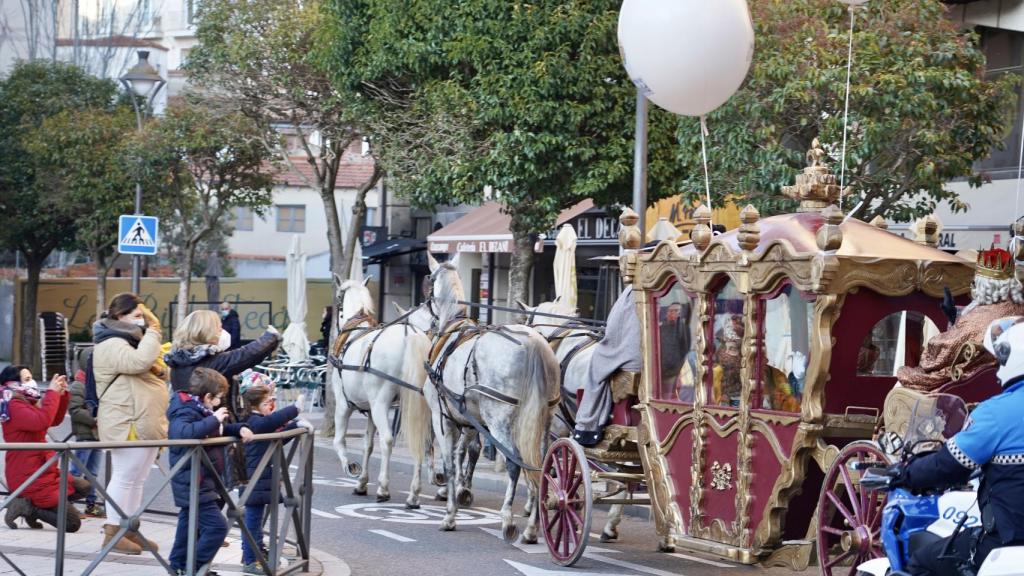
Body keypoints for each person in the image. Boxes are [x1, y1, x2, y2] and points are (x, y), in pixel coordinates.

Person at [900, 316, 1024, 575]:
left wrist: (905, 474)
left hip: (1009, 542)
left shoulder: (995, 413)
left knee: (924, 561)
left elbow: (948, 466)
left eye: (998, 361)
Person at [91, 292, 168, 555]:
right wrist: (154, 330)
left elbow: (156, 366)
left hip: (139, 420)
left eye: (143, 316)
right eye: (137, 316)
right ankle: (113, 531)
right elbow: (140, 362)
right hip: (127, 421)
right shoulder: (111, 342)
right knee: (125, 476)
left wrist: (149, 329)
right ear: (120, 316)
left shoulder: (129, 340)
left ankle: (129, 528)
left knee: (138, 478)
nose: (143, 321)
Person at [898, 247, 1024, 389]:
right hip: (1003, 379)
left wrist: (933, 343)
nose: (972, 285)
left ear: (983, 285)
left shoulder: (979, 316)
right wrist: (954, 318)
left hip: (968, 383)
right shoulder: (1019, 308)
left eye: (975, 281)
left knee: (904, 377)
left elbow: (943, 351)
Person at [167, 367, 253, 576]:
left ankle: (178, 564)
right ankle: (193, 567)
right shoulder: (185, 409)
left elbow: (217, 429)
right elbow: (184, 433)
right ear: (207, 396)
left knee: (188, 527)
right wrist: (214, 419)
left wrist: (238, 428)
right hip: (193, 480)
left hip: (201, 479)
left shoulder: (201, 409)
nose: (220, 403)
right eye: (219, 398)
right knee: (217, 528)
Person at [1, 366, 91, 532]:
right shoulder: (13, 404)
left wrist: (62, 395)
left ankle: (37, 507)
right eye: (27, 379)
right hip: (27, 474)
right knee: (72, 524)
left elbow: (53, 420)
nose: (32, 382)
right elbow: (41, 421)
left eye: (31, 377)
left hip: (43, 469)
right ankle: (28, 508)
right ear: (13, 383)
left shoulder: (27, 400)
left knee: (85, 487)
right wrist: (52, 393)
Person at [238, 383, 309, 574]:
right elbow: (272, 424)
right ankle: (250, 560)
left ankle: (256, 552)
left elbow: (275, 439)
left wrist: (295, 426)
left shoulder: (258, 421)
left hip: (260, 479)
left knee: (255, 519)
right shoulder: (254, 422)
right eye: (267, 402)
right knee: (252, 520)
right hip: (254, 479)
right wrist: (295, 409)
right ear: (256, 405)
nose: (271, 405)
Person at [165, 310, 280, 395]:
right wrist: (270, 337)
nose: (222, 333)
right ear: (206, 332)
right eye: (219, 328)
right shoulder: (211, 362)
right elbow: (245, 355)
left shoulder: (177, 360)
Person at [68, 348, 105, 517]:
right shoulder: (78, 385)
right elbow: (75, 410)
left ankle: (91, 504)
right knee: (76, 472)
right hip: (85, 435)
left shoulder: (97, 383)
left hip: (97, 436)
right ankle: (67, 503)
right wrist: (94, 420)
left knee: (93, 473)